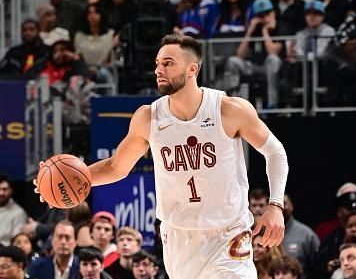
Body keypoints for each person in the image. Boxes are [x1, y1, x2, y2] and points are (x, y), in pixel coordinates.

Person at [35, 33, 288, 278]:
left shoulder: (228, 109)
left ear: (192, 70)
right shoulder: (148, 117)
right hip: (178, 237)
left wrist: (275, 205)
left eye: (168, 63)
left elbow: (275, 152)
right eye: (157, 63)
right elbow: (116, 166)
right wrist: (64, 182)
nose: (158, 70)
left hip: (228, 233)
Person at [0, 173, 28, 247]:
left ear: (11, 190)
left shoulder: (19, 213)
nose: (1, 193)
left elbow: (18, 242)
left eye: (4, 189)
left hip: (6, 254)